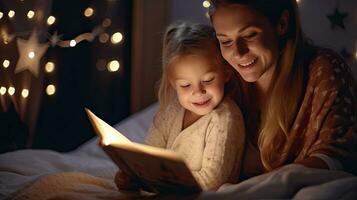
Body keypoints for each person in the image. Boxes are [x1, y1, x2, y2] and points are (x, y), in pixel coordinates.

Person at [209, 0, 357, 179]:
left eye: (249, 35)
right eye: (225, 41)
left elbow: (337, 156)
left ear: (282, 23)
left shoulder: (322, 69)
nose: (238, 53)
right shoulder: (224, 80)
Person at [115, 22, 246, 191]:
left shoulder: (224, 118)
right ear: (173, 83)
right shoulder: (171, 111)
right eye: (185, 85)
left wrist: (154, 181)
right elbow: (149, 154)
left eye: (207, 80)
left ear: (226, 72)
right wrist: (132, 175)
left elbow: (211, 182)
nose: (198, 91)